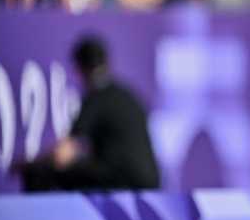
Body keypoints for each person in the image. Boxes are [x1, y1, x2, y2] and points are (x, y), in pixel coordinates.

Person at [18, 35, 160, 191]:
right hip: (151, 179)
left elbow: (63, 154)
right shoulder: (127, 95)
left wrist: (31, 164)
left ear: (80, 68)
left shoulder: (96, 98)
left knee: (40, 173)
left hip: (121, 179)